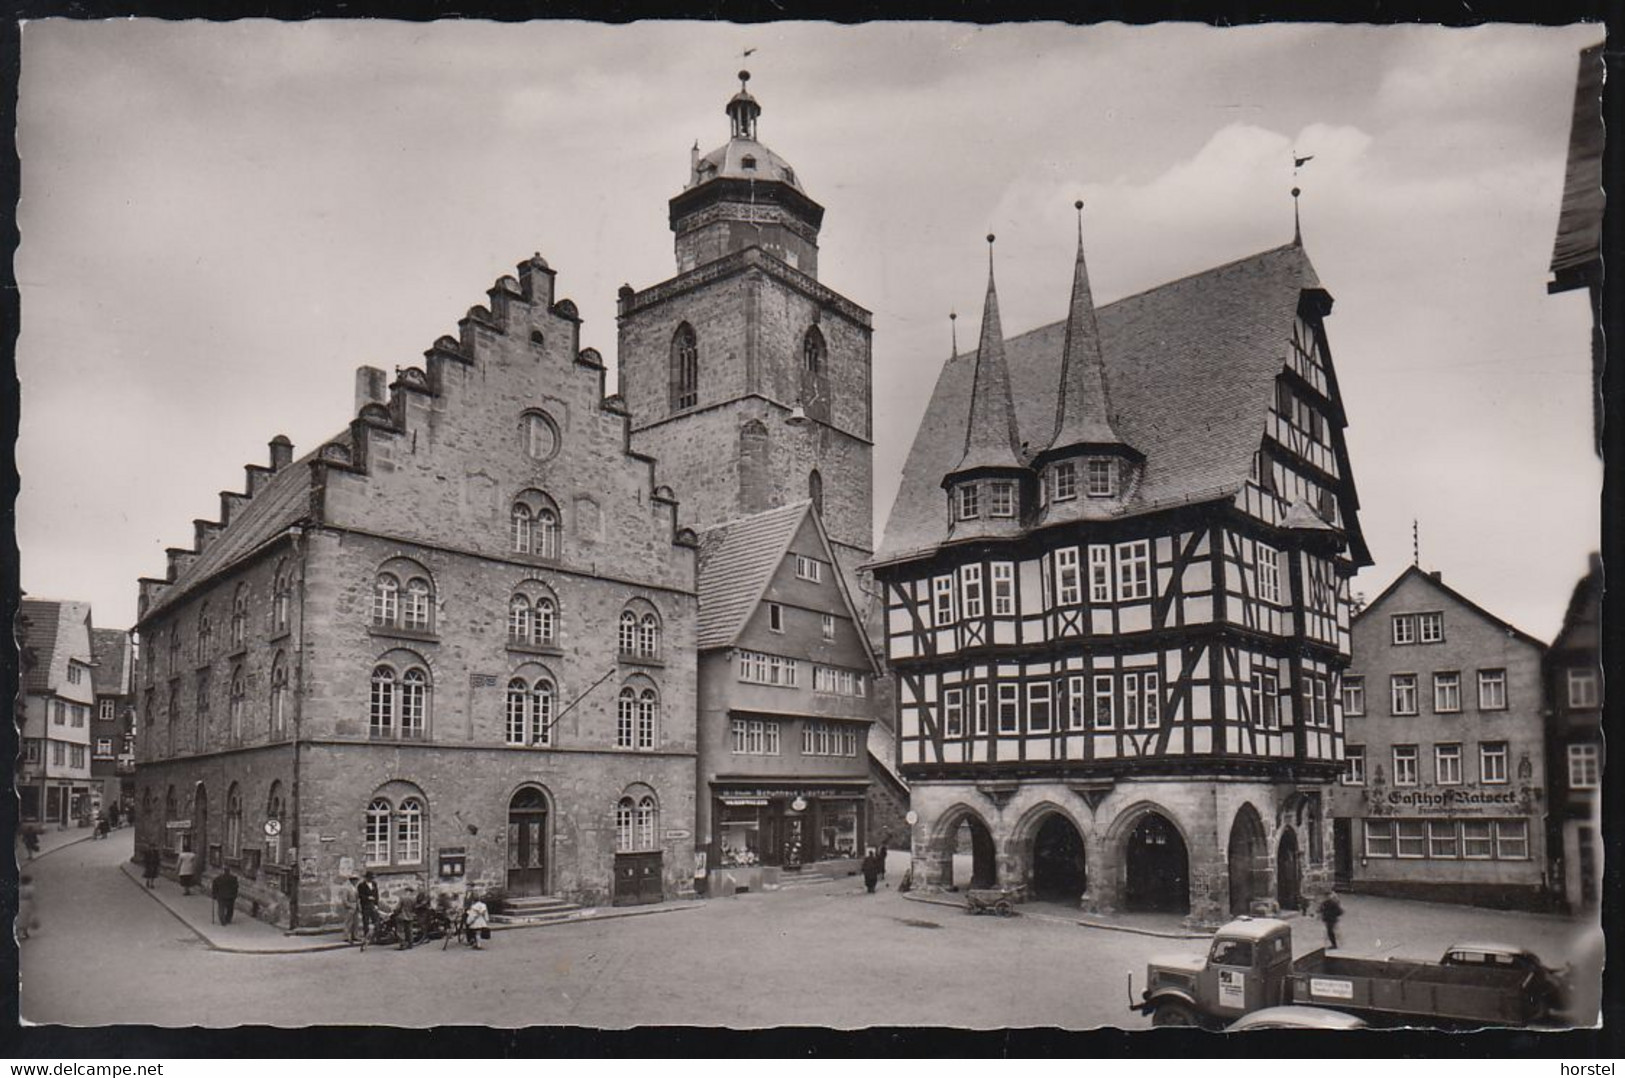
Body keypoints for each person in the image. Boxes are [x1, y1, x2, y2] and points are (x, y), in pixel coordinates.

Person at [356, 871, 381, 941]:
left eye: (372, 878)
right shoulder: (361, 885)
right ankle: (366, 936)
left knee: (376, 920)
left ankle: (376, 936)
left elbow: (376, 895)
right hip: (365, 905)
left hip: (373, 905)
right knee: (366, 921)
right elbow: (360, 896)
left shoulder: (374, 884)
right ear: (366, 878)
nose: (371, 879)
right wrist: (367, 898)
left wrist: (376, 904)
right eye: (370, 878)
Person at [340, 876, 362, 944]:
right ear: (351, 880)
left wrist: (358, 905)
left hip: (356, 906)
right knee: (348, 922)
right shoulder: (346, 888)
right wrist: (349, 906)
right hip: (350, 907)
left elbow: (357, 898)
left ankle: (355, 935)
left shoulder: (355, 888)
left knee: (356, 922)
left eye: (357, 880)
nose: (356, 882)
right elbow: (344, 900)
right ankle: (346, 936)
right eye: (355, 880)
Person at [17, 873, 38, 940]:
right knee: (26, 918)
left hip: (20, 903)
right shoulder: (30, 888)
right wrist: (34, 905)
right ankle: (25, 932)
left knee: (20, 917)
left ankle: (19, 932)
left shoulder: (19, 888)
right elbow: (31, 897)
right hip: (27, 903)